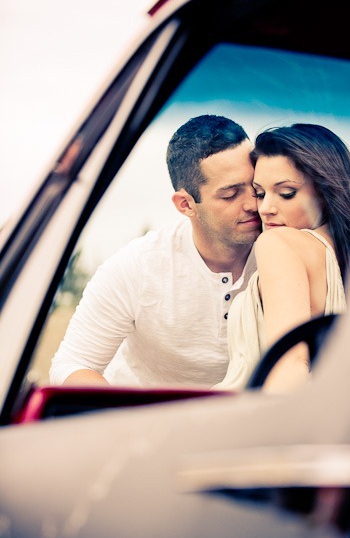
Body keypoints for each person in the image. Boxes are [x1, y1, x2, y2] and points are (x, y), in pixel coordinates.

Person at [49, 115, 262, 388]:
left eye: (255, 187)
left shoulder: (289, 254)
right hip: (145, 423)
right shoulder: (136, 267)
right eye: (230, 195)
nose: (253, 204)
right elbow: (71, 364)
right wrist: (124, 420)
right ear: (185, 204)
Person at [214, 123, 350, 393]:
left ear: (324, 191)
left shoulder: (278, 244)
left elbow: (289, 364)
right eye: (260, 193)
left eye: (286, 193)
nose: (266, 208)